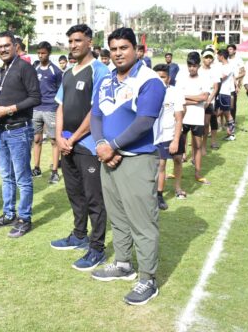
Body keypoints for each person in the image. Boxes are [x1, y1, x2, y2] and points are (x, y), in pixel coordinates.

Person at [90, 27, 165, 306]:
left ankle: (148, 278)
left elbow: (144, 121)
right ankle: (123, 264)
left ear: (136, 50)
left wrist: (115, 145)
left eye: (124, 48)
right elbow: (96, 115)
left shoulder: (150, 80)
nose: (118, 53)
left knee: (142, 222)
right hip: (107, 156)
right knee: (118, 216)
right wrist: (101, 146)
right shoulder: (106, 79)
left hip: (136, 158)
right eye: (114, 49)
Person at [50, 25, 110, 271]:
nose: (73, 45)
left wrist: (73, 138)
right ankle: (78, 235)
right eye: (70, 41)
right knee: (74, 193)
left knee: (94, 198)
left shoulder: (100, 71)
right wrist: (59, 138)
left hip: (87, 144)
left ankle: (97, 248)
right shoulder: (68, 72)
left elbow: (96, 111)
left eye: (78, 41)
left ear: (89, 42)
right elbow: (60, 107)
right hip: (66, 144)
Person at [0, 31, 41, 238]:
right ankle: (9, 213)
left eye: (6, 45)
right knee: (6, 176)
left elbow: (36, 97)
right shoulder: (0, 70)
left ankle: (24, 218)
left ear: (15, 45)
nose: (2, 49)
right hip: (2, 130)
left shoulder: (24, 67)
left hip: (19, 129)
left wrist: (9, 109)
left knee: (22, 178)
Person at [153, 63, 186, 210]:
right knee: (160, 165)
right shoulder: (148, 92)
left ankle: (172, 190)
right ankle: (157, 195)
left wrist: (176, 140)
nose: (160, 80)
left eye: (163, 77)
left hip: (171, 134)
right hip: (155, 135)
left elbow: (179, 118)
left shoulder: (175, 92)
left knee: (177, 160)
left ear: (169, 78)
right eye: (157, 77)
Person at [177, 52, 212, 185]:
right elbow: (179, 97)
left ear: (198, 65)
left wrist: (186, 97)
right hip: (183, 117)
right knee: (181, 146)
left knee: (197, 146)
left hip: (197, 118)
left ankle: (197, 173)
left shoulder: (205, 79)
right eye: (189, 65)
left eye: (194, 66)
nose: (192, 68)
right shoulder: (181, 78)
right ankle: (177, 171)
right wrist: (195, 99)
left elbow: (204, 98)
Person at [32, 41, 63, 184]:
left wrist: (58, 108)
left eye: (43, 53)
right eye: (38, 53)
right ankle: (36, 168)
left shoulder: (56, 71)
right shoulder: (35, 68)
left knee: (54, 141)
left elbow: (60, 92)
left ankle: (55, 171)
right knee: (36, 139)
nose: (40, 55)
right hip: (36, 109)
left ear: (49, 53)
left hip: (50, 108)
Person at [199, 50, 221, 153]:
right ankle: (197, 146)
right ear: (202, 58)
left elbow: (216, 88)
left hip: (210, 101)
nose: (208, 59)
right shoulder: (198, 70)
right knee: (197, 124)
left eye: (210, 57)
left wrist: (208, 101)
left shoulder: (214, 71)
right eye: (206, 57)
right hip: (198, 100)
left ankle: (203, 146)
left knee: (206, 123)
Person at [216, 49, 236, 140]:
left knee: (227, 113)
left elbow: (221, 78)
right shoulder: (220, 66)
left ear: (222, 56)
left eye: (218, 55)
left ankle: (231, 134)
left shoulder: (228, 66)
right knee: (220, 112)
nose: (217, 57)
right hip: (219, 92)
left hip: (224, 93)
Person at [227, 44, 245, 123]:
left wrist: (237, 80)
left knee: (232, 104)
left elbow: (243, 72)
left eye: (231, 49)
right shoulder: (225, 59)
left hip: (234, 84)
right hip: (225, 83)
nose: (229, 50)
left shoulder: (239, 60)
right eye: (228, 49)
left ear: (234, 50)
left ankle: (232, 120)